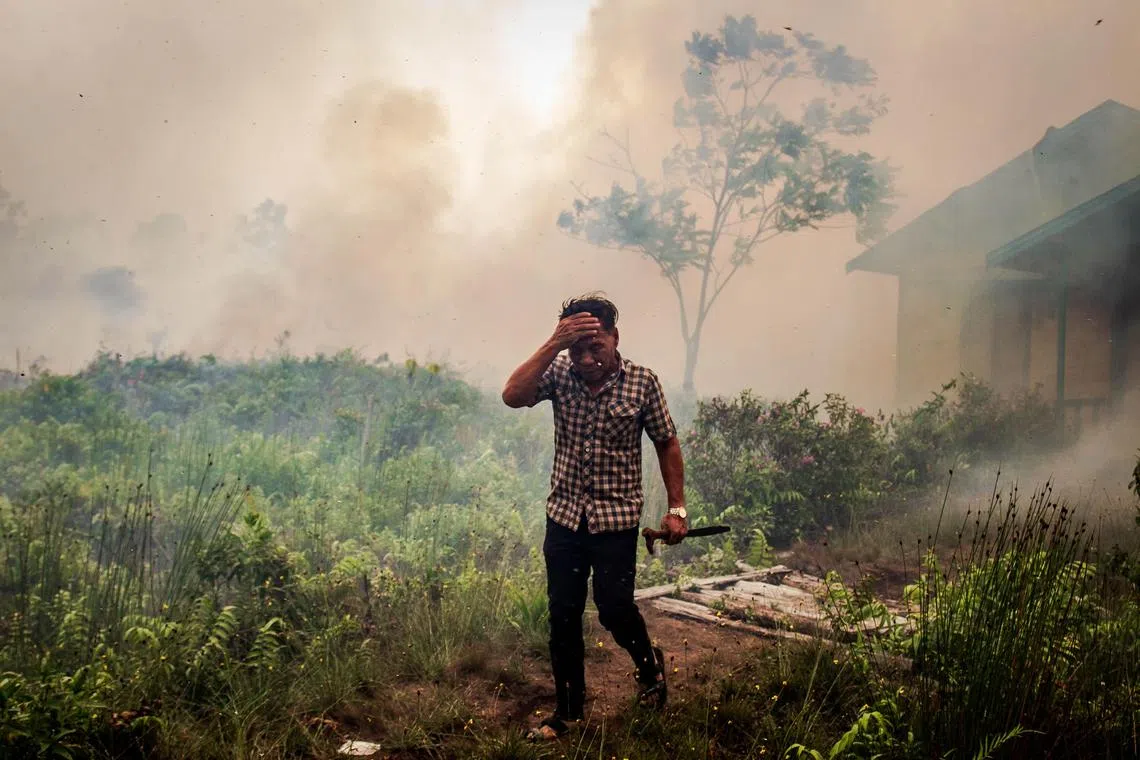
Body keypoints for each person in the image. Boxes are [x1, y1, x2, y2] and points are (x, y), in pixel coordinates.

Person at [501, 293, 688, 741]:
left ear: (615, 338)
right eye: (576, 348)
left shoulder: (642, 382)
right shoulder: (560, 372)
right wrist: (552, 345)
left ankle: (649, 668)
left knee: (614, 608)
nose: (585, 358)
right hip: (565, 516)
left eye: (595, 346)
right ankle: (567, 712)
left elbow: (667, 442)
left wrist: (677, 509)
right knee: (562, 614)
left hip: (616, 520)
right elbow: (512, 396)